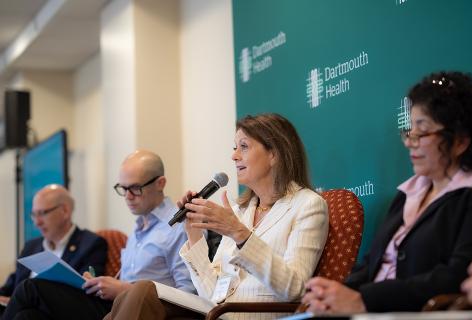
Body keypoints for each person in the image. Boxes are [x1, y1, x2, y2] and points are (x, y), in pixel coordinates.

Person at [302, 71, 472, 314]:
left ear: (460, 141)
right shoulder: (409, 192)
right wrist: (331, 294)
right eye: (409, 130)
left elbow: (459, 275)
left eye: (422, 132)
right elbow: (371, 265)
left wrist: (364, 300)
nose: (409, 141)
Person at [104, 113, 329, 320]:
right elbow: (212, 291)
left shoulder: (308, 206)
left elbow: (295, 288)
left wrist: (238, 233)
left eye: (244, 147)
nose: (234, 156)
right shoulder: (241, 211)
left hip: (249, 315)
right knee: (132, 295)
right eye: (234, 147)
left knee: (142, 291)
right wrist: (192, 232)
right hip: (216, 312)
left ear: (274, 154)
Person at [3, 150, 195, 320]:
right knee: (27, 315)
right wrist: (101, 283)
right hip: (115, 305)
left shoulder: (178, 225)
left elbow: (189, 295)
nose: (128, 197)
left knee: (31, 288)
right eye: (123, 188)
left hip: (138, 308)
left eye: (135, 188)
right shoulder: (139, 228)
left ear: (160, 183)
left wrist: (123, 289)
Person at [0, 184, 107, 314]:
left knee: (30, 287)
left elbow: (85, 293)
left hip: (59, 313)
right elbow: (10, 286)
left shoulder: (91, 244)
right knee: (26, 315)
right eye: (34, 215)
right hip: (21, 312)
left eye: (43, 213)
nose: (37, 222)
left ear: (65, 211)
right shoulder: (31, 246)